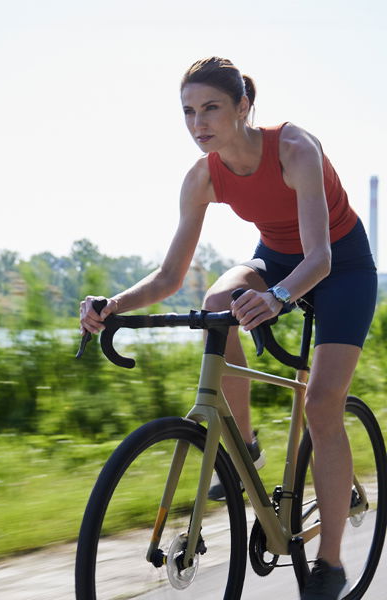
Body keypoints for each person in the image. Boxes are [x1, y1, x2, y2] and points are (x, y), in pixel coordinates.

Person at [79, 56, 377, 600]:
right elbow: (171, 275)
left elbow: (320, 259)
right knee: (217, 298)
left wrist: (278, 298)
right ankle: (243, 443)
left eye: (211, 108)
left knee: (322, 403)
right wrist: (113, 304)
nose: (199, 123)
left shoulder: (293, 150)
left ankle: (330, 564)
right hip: (275, 260)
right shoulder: (201, 177)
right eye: (189, 112)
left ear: (243, 107)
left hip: (340, 267)